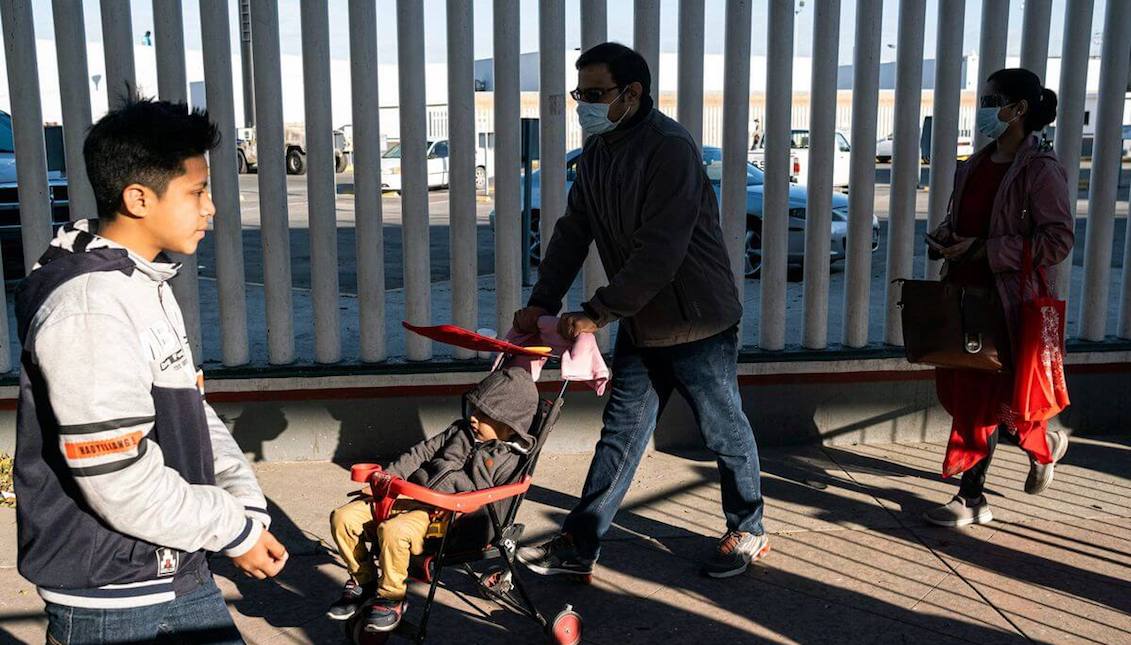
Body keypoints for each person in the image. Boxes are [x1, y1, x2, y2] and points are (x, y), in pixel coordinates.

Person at [14, 98, 287, 644]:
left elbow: (191, 407)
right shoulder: (91, 304)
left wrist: (243, 502)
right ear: (139, 197)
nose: (210, 208)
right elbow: (116, 475)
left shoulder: (142, 284)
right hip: (109, 592)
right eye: (196, 192)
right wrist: (232, 530)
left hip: (173, 566)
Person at [512, 42, 768, 579]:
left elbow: (662, 249)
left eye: (596, 93)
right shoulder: (600, 149)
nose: (584, 104)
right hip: (644, 321)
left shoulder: (669, 147)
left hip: (697, 322)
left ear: (633, 93)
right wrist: (542, 301)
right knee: (622, 433)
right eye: (580, 93)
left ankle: (748, 526)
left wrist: (598, 312)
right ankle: (580, 546)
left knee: (722, 429)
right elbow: (572, 231)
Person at [923, 68, 1074, 528]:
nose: (984, 109)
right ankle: (1044, 445)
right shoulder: (972, 165)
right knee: (984, 396)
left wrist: (989, 250)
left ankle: (971, 498)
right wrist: (949, 238)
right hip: (964, 295)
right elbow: (964, 223)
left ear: (1018, 110)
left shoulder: (1040, 171)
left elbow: (1058, 241)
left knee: (983, 397)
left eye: (991, 101)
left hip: (1009, 303)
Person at [326, 367, 539, 633]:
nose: (473, 418)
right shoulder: (459, 432)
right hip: (407, 495)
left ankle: (391, 598)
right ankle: (364, 580)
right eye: (474, 409)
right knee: (343, 517)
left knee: (393, 531)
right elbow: (420, 453)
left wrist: (457, 507)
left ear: (510, 427)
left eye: (484, 415)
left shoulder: (510, 459)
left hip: (446, 519)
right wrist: (385, 478)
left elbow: (495, 502)